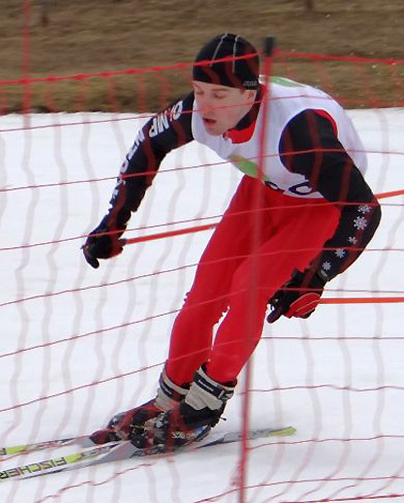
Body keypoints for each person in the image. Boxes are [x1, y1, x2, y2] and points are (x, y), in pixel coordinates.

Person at [82, 33, 381, 449]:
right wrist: (112, 224)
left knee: (249, 287)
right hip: (263, 189)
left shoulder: (299, 132)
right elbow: (145, 147)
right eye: (200, 91)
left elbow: (364, 209)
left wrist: (316, 276)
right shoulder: (193, 112)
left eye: (219, 94)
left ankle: (203, 405)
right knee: (206, 290)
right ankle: (170, 400)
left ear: (250, 94)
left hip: (321, 204)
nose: (205, 106)